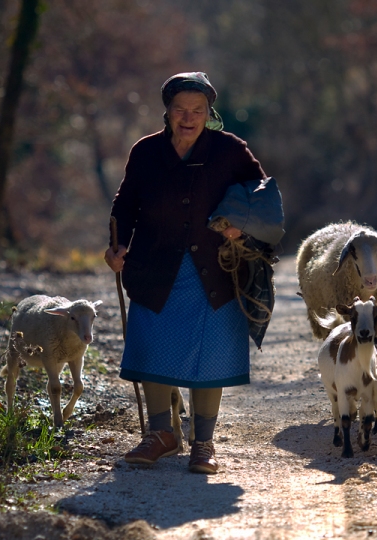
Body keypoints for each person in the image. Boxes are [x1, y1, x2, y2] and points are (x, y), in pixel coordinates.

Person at [104, 72, 279, 474]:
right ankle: (162, 434)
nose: (188, 117)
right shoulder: (146, 152)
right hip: (154, 266)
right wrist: (119, 245)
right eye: (180, 109)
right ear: (167, 111)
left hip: (214, 271)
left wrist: (242, 223)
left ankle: (204, 443)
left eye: (197, 110)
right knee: (154, 349)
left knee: (209, 357)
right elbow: (125, 202)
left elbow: (262, 192)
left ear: (208, 113)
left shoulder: (229, 149)